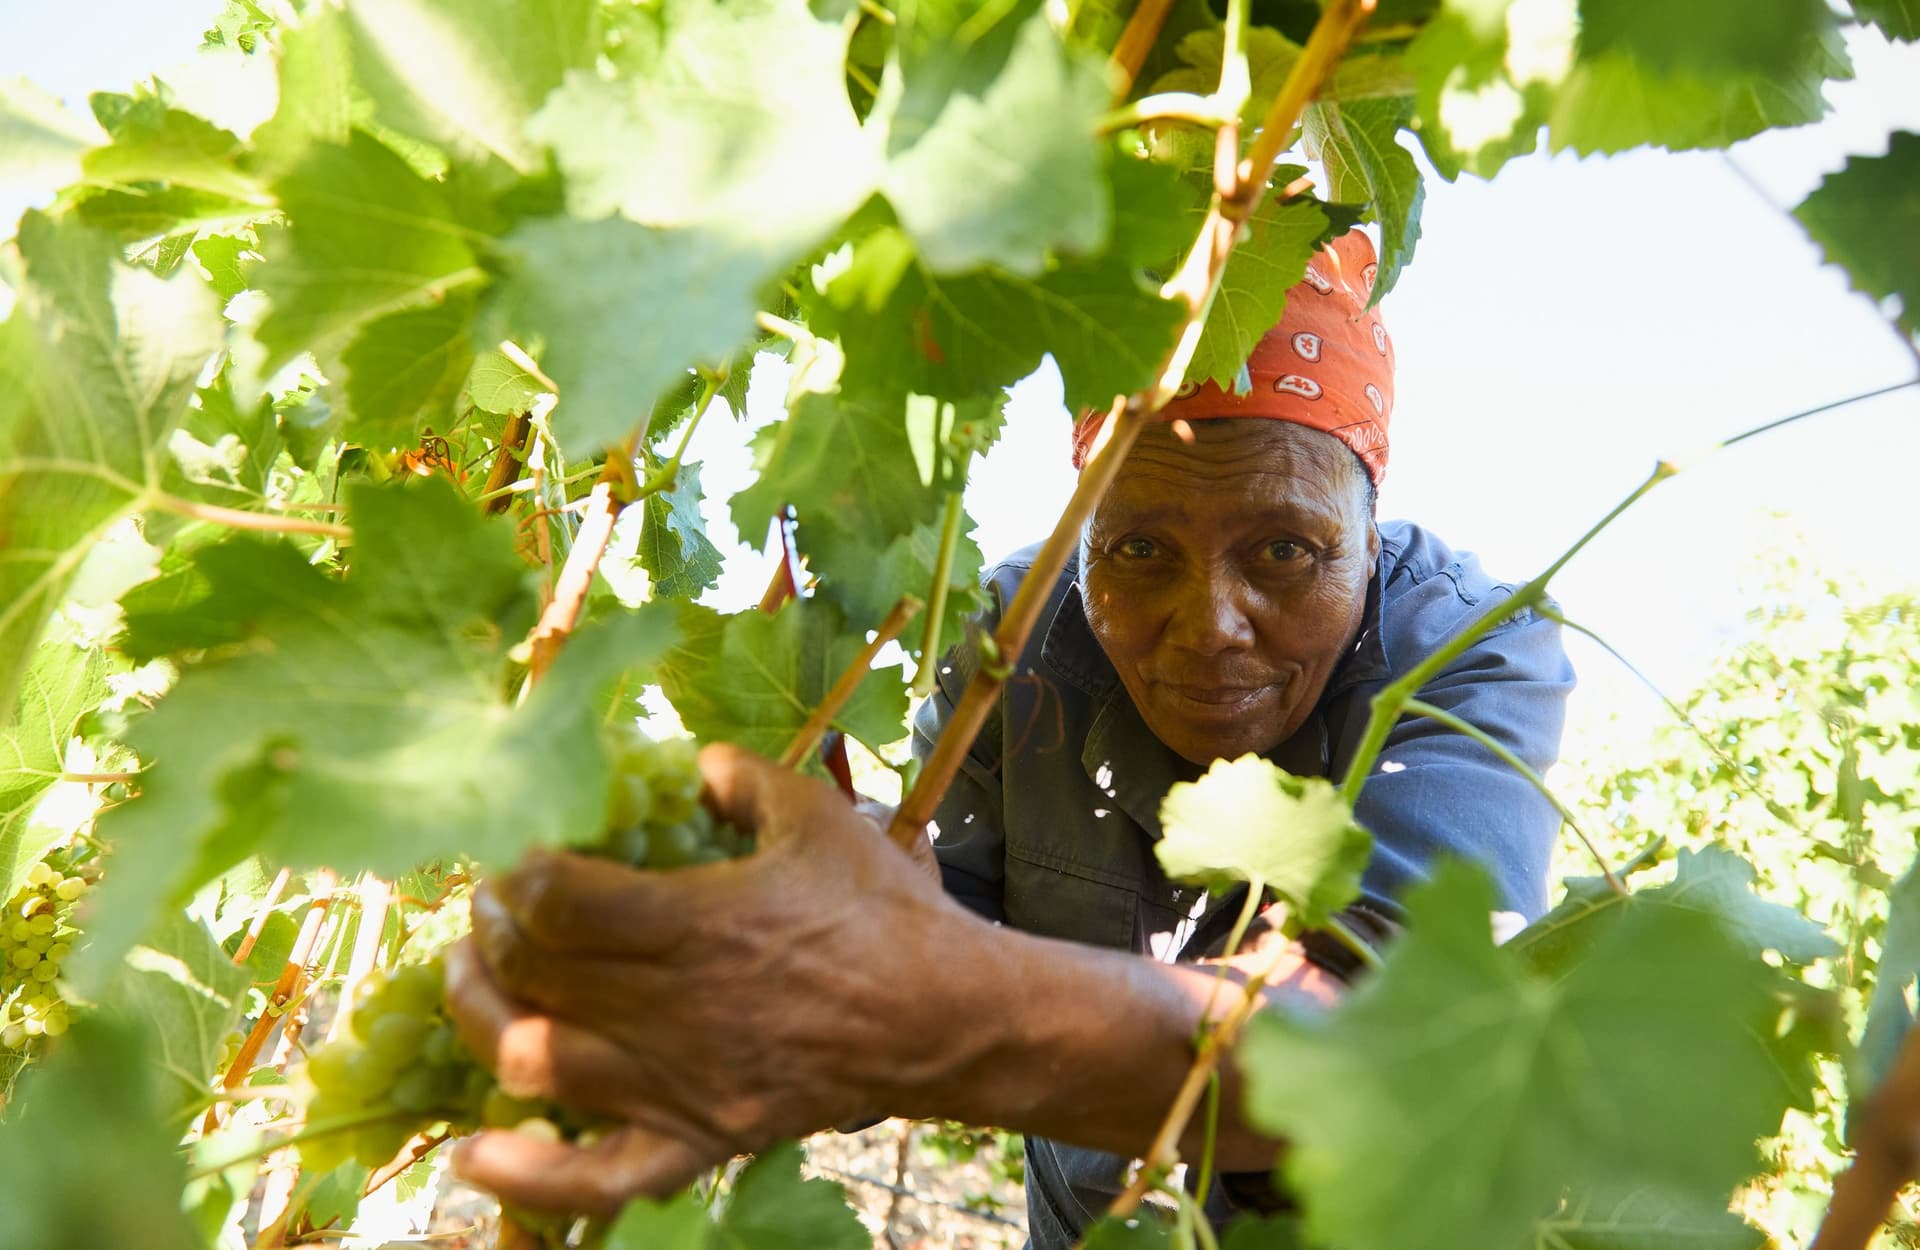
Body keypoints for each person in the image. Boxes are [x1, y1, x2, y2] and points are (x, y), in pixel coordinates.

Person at [443, 229, 1575, 1243]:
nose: (1210, 625)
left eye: (1285, 550)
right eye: (1139, 550)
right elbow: (933, 931)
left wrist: (896, 999)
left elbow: (1381, 1033)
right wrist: (787, 925)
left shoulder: (1476, 648)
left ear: (1370, 533)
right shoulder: (1012, 639)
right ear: (1081, 533)